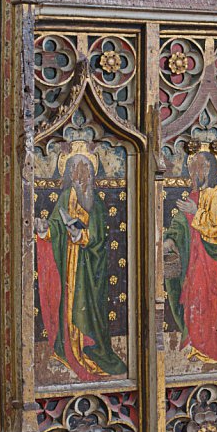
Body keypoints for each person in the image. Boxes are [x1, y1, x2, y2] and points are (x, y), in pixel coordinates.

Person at [35, 143, 126, 380]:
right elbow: (56, 224)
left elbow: (100, 235)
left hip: (91, 268)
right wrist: (46, 229)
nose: (80, 173)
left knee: (91, 308)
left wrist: (82, 236)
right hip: (70, 264)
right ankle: (69, 349)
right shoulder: (66, 197)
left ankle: (93, 350)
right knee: (70, 304)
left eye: (85, 168)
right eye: (75, 168)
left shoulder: (94, 202)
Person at [163, 148, 217, 364]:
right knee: (193, 298)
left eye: (203, 166)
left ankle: (210, 348)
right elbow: (180, 222)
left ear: (212, 169)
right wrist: (170, 238)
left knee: (207, 301)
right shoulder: (193, 196)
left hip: (209, 259)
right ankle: (195, 343)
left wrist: (195, 211)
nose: (198, 171)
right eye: (194, 166)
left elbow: (215, 228)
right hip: (193, 258)